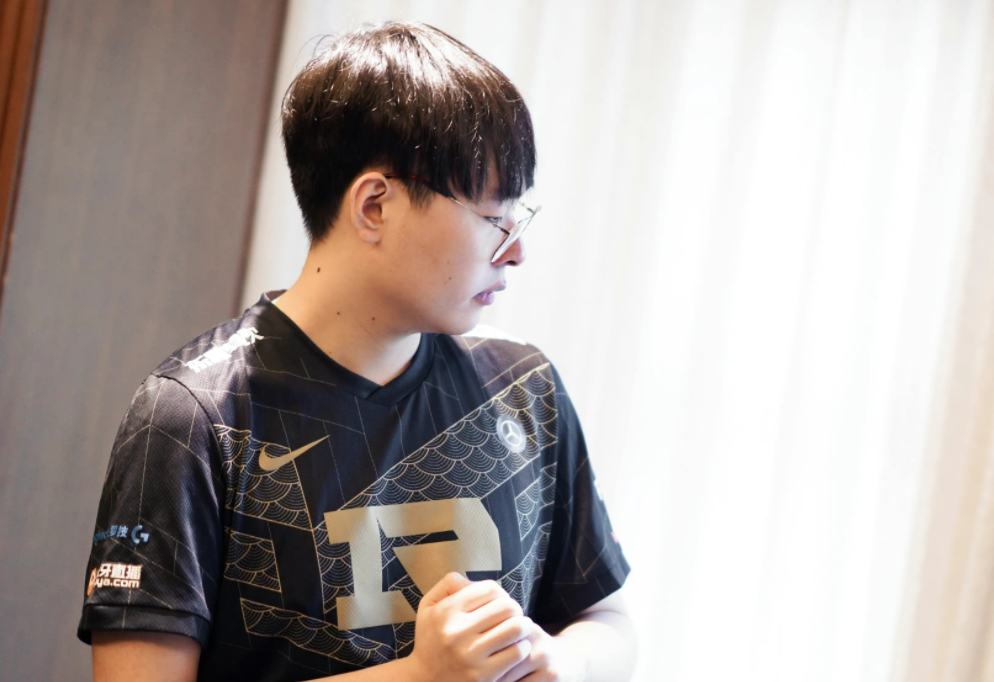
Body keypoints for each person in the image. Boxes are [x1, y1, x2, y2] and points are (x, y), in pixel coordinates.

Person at [78, 20, 636, 682]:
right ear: (374, 206)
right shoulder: (193, 417)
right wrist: (420, 676)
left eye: (521, 217)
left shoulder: (524, 388)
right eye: (495, 218)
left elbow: (608, 618)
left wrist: (563, 660)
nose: (516, 251)